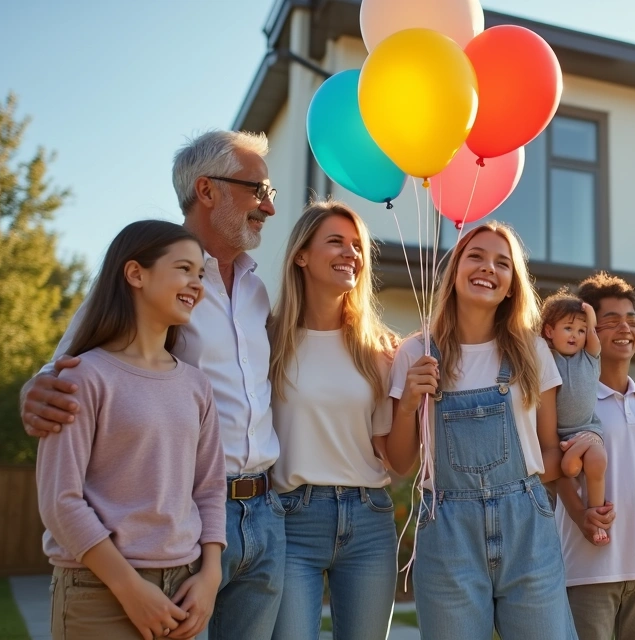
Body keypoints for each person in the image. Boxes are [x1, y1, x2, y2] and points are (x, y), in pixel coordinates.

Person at [21, 130, 285, 639]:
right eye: (258, 191)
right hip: (178, 519)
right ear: (206, 191)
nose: (267, 208)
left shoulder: (258, 292)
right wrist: (34, 389)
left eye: (268, 194)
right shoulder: (149, 271)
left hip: (263, 513)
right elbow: (69, 367)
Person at [384, 222, 576, 639]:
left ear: (511, 285)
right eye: (475, 256)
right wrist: (409, 406)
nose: (487, 267)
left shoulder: (532, 351)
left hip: (527, 528)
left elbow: (548, 452)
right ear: (455, 269)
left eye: (501, 263)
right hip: (447, 530)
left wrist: (586, 454)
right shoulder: (415, 352)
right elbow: (399, 464)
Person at [37, 220, 225, 640]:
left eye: (200, 274)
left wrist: (210, 576)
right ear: (136, 274)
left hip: (184, 594)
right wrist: (128, 588)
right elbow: (60, 501)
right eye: (183, 269)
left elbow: (210, 490)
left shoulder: (197, 386)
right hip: (97, 591)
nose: (196, 284)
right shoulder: (80, 377)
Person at [267, 200, 399, 640]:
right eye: (336, 242)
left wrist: (414, 401)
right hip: (290, 517)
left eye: (357, 245)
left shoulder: (378, 350)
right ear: (301, 255)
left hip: (370, 520)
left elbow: (395, 457)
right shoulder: (265, 341)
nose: (352, 253)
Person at [555, 272, 635, 640]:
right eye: (610, 320)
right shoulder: (570, 401)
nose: (624, 328)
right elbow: (556, 474)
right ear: (590, 330)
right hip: (586, 572)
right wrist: (581, 517)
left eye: (631, 320)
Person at [540, 291, 609, 543]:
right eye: (568, 328)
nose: (575, 336)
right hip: (559, 438)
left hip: (587, 430)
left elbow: (592, 336)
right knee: (569, 467)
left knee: (598, 460)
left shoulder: (590, 358)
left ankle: (597, 512)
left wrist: (589, 316)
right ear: (549, 331)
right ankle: (579, 510)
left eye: (581, 330)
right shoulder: (546, 358)